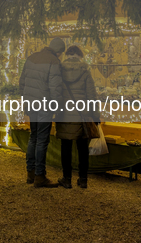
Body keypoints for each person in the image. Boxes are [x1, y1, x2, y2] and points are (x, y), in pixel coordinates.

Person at [19, 38, 64, 188]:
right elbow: (55, 87)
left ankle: (30, 172)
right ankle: (40, 175)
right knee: (42, 140)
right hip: (44, 105)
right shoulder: (54, 61)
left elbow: (22, 81)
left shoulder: (32, 57)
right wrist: (57, 107)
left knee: (33, 136)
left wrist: (25, 99)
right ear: (59, 52)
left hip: (31, 103)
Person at [56, 45, 98, 189]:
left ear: (66, 55)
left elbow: (56, 92)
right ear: (80, 56)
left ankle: (67, 179)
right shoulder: (85, 70)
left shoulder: (59, 70)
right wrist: (95, 116)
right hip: (82, 115)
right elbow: (92, 96)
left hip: (64, 114)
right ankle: (83, 179)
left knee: (66, 147)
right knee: (82, 149)